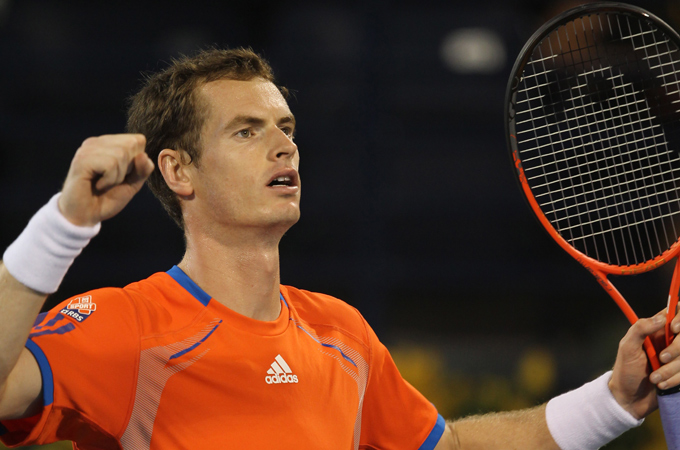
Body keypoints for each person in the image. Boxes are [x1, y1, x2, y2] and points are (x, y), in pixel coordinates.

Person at [0, 48, 679, 450]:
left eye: (286, 126)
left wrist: (614, 399)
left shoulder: (341, 333)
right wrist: (64, 226)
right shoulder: (127, 328)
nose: (283, 145)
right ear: (179, 171)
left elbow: (448, 447)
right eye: (246, 131)